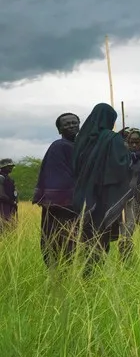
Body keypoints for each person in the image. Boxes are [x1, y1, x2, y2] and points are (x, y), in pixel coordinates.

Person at [71, 103, 133, 269]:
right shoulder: (112, 139)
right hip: (103, 195)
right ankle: (94, 274)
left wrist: (115, 138)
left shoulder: (82, 139)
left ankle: (86, 271)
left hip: (82, 194)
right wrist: (122, 145)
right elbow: (120, 165)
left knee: (86, 235)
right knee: (100, 234)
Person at [32, 113, 80, 266]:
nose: (71, 125)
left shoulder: (80, 147)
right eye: (66, 124)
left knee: (73, 245)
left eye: (74, 122)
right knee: (59, 243)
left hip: (76, 205)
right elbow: (57, 178)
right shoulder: (59, 146)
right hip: (61, 206)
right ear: (59, 130)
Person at [119, 129, 140, 260]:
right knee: (122, 225)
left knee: (131, 225)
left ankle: (126, 254)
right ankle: (124, 252)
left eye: (137, 142)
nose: (134, 145)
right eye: (131, 142)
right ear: (127, 142)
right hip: (120, 195)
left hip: (136, 195)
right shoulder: (121, 157)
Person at [0, 158, 16, 230]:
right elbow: (1, 195)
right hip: (3, 205)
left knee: (11, 225)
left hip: (9, 205)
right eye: (9, 166)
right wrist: (11, 201)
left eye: (12, 166)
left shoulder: (9, 178)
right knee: (4, 225)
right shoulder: (1, 177)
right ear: (3, 167)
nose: (11, 167)